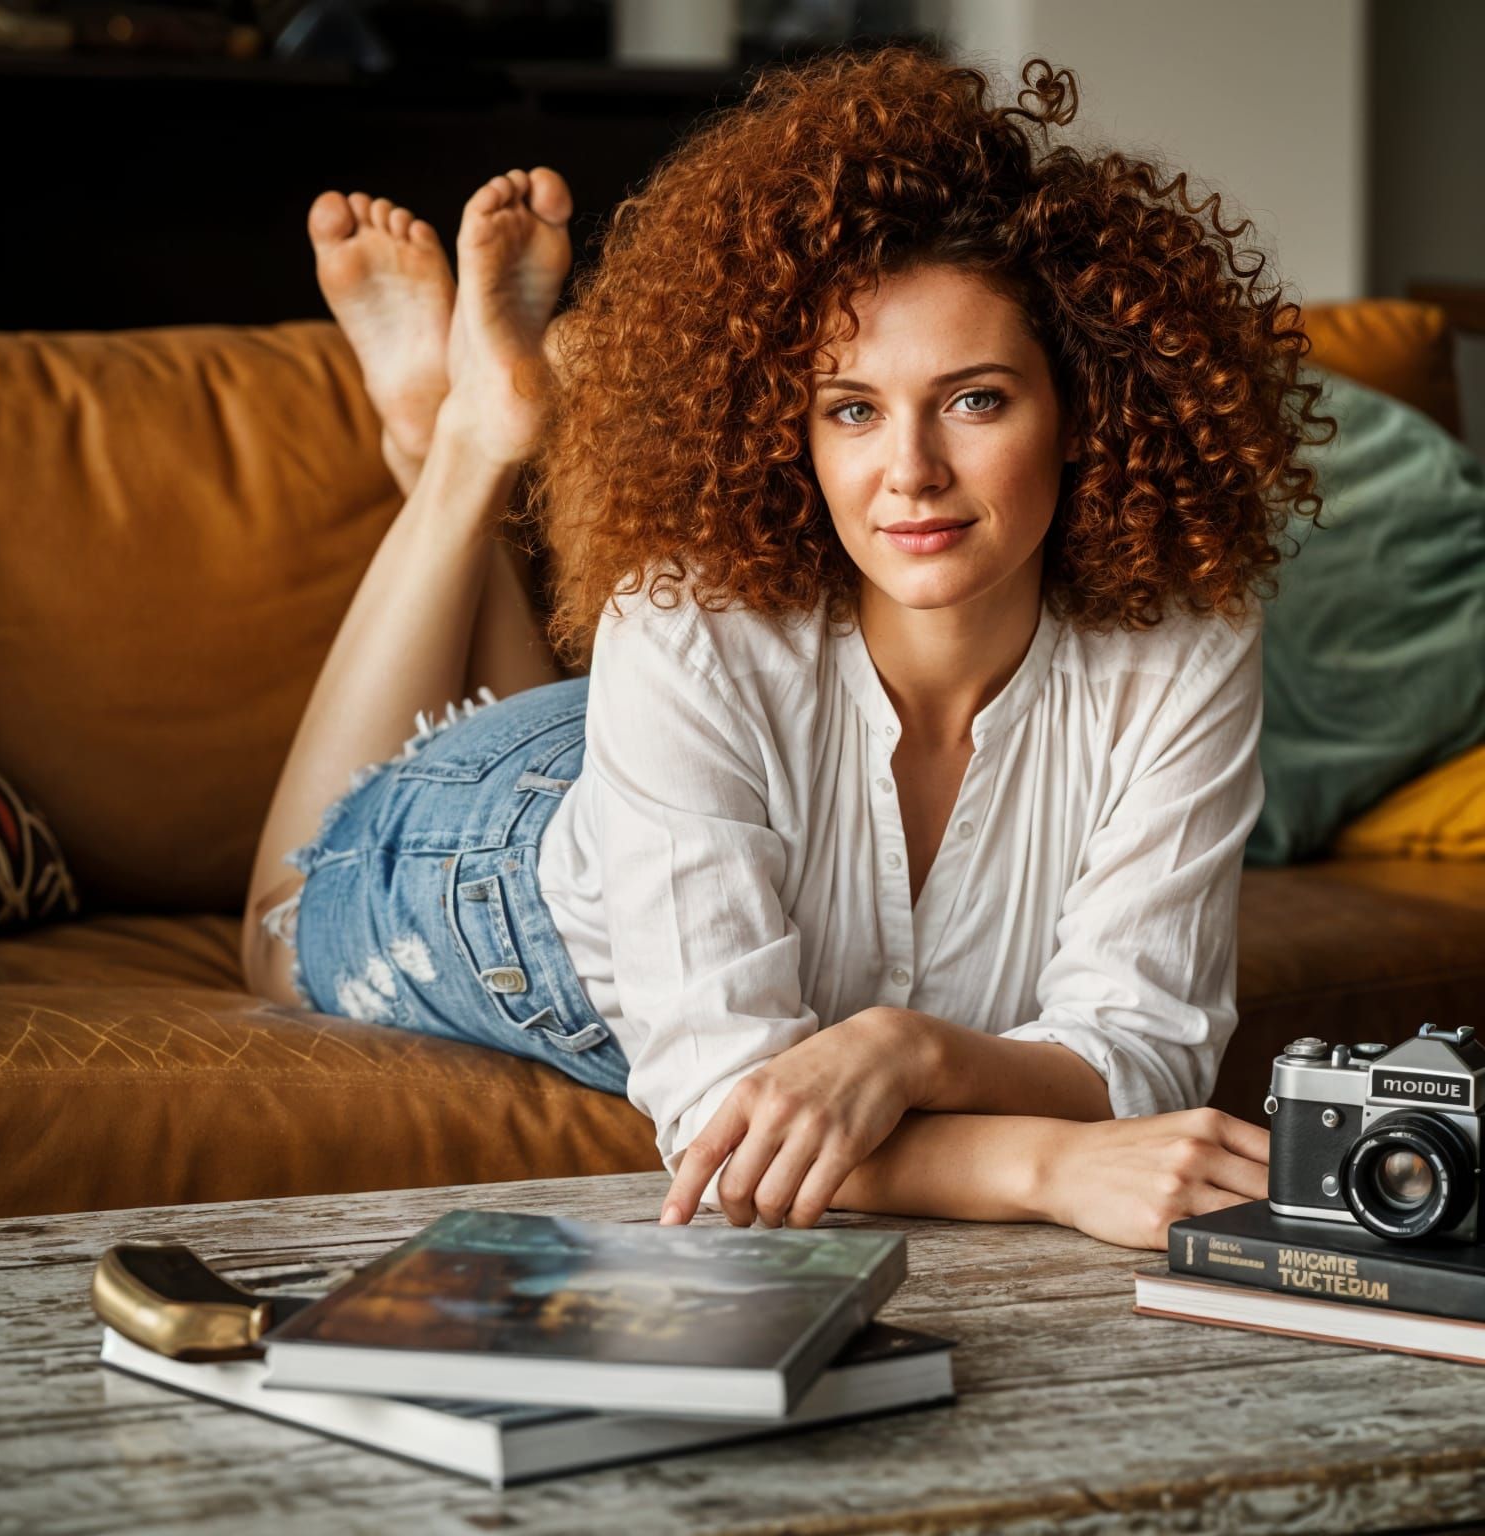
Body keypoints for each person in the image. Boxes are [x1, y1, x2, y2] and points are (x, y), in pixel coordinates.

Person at [240, 43, 1332, 1251]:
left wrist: (901, 1048)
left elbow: (1148, 1049)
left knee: (630, 707)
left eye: (975, 399)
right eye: (851, 409)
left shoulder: (1187, 639)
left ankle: (452, 437)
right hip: (510, 858)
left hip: (678, 759)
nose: (910, 473)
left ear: (1084, 407)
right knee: (274, 933)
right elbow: (727, 1113)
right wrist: (1044, 1165)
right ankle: (453, 457)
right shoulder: (686, 628)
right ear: (793, 430)